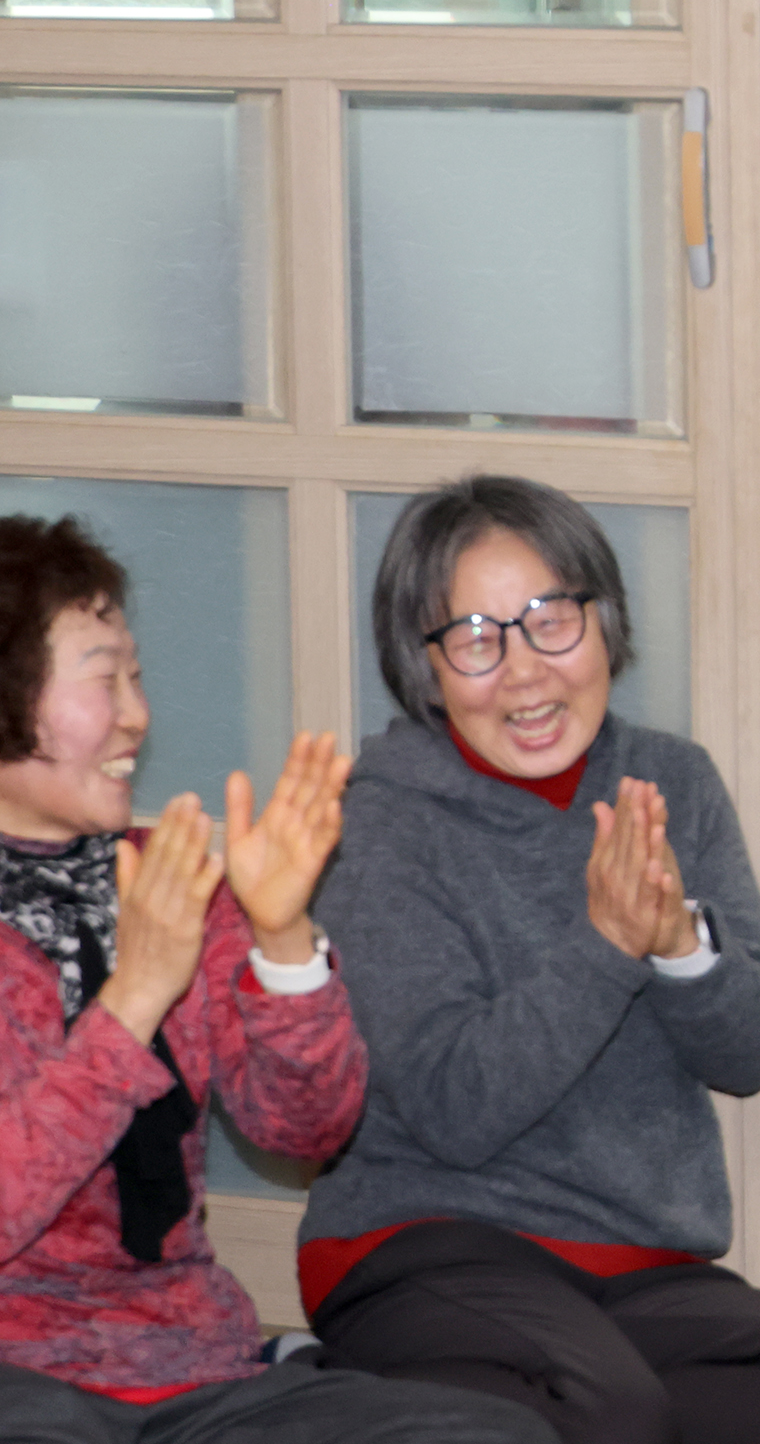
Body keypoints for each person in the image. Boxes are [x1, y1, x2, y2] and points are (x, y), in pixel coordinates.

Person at [303, 478, 760, 1444]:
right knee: (604, 1404)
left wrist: (680, 948)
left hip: (635, 1263)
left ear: (606, 621)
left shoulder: (672, 779)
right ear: (425, 669)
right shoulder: (385, 822)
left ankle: (405, 1414)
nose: (525, 672)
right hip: (425, 1240)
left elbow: (752, 1052)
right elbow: (457, 1111)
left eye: (550, 620)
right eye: (474, 637)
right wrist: (607, 945)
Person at [0, 516, 550, 1444]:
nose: (138, 712)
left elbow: (302, 1131)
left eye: (136, 674)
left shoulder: (166, 877)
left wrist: (283, 936)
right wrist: (134, 1000)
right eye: (104, 677)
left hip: (195, 1373)